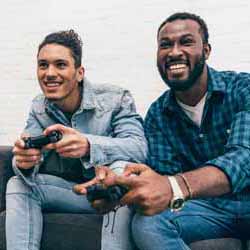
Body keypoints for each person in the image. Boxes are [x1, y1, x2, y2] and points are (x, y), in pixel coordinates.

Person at [102, 12, 250, 250]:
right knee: (148, 222)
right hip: (208, 211)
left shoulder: (244, 89)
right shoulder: (158, 115)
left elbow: (244, 158)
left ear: (207, 51)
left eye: (186, 42)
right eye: (165, 45)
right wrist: (120, 188)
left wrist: (176, 185)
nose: (174, 52)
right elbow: (163, 182)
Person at [6, 29, 147, 250]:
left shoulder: (116, 98)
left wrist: (88, 145)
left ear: (79, 72)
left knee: (120, 170)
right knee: (17, 183)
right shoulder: (39, 107)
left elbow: (139, 148)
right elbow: (26, 150)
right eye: (43, 65)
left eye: (60, 64)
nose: (49, 73)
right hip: (75, 193)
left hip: (111, 193)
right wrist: (24, 162)